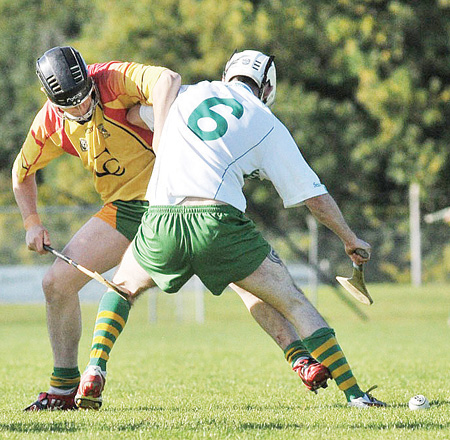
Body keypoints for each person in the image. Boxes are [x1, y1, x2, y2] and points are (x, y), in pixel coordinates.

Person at [13, 46, 329, 411]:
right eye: (72, 106)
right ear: (50, 100)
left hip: (179, 195)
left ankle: (299, 358)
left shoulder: (112, 78)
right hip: (126, 209)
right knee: (55, 283)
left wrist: (161, 136)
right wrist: (32, 222)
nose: (83, 108)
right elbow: (21, 175)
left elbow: (168, 79)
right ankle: (64, 389)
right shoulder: (49, 124)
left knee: (247, 283)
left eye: (86, 97)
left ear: (88, 76)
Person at [75, 50, 386, 409]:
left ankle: (96, 366)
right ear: (267, 87)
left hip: (161, 219)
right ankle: (356, 396)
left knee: (122, 286)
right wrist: (350, 238)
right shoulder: (266, 121)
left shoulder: (186, 94)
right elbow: (314, 197)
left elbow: (131, 114)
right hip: (217, 224)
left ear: (227, 74)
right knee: (293, 300)